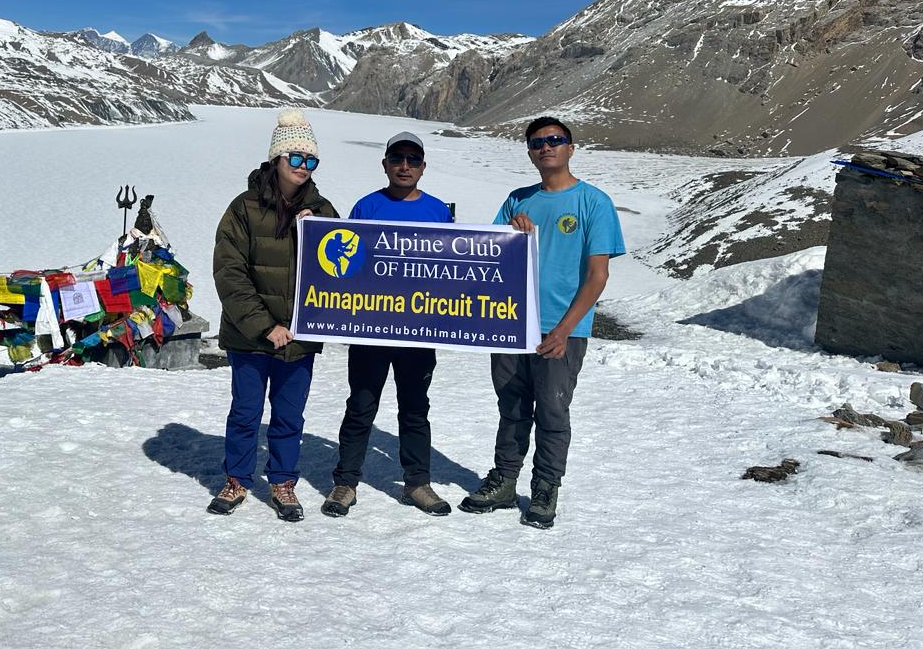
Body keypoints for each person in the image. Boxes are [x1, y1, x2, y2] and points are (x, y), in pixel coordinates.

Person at [459, 116, 625, 529]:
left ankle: (546, 487)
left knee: (552, 410)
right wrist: (513, 237)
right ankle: (504, 480)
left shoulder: (593, 202)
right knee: (512, 407)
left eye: (555, 140)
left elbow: (597, 275)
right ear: (530, 152)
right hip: (512, 324)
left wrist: (565, 329)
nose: (546, 147)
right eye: (537, 143)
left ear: (571, 147)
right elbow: (490, 257)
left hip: (561, 328)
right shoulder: (518, 201)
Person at [209, 110, 339, 522]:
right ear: (276, 159)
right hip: (253, 336)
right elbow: (230, 273)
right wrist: (265, 326)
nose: (303, 167)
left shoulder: (322, 210)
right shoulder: (244, 208)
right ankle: (237, 479)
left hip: (299, 336)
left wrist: (318, 230)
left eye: (310, 160)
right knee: (246, 412)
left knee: (288, 415)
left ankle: (282, 480)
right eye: (295, 158)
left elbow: (342, 266)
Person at [321, 131, 454, 518]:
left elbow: (451, 271)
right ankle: (345, 482)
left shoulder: (437, 212)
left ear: (423, 167)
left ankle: (417, 483)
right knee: (361, 406)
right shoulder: (366, 206)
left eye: (413, 160)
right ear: (385, 164)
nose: (405, 166)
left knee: (415, 409)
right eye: (398, 159)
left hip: (417, 330)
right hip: (370, 329)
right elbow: (346, 263)